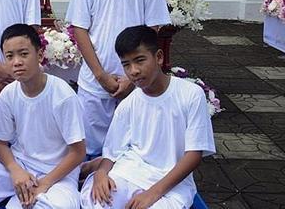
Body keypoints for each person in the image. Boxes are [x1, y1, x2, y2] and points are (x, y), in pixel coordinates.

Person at [65, 0, 171, 157]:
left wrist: (132, 78)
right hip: (94, 83)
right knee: (89, 152)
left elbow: (152, 31)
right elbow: (79, 30)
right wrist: (101, 75)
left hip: (136, 81)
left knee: (132, 152)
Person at [0, 24, 86, 209]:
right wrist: (15, 171)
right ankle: (2, 180)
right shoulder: (9, 93)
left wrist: (45, 184)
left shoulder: (63, 95)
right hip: (20, 164)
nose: (17, 62)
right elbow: (0, 143)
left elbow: (78, 152)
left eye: (23, 54)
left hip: (57, 172)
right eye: (10, 56)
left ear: (39, 55)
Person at [81, 26, 215, 209]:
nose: (133, 71)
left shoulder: (190, 94)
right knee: (96, 200)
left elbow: (194, 154)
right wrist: (101, 174)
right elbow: (112, 153)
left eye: (139, 60)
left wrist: (152, 193)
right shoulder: (129, 103)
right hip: (130, 172)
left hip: (170, 183)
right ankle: (92, 169)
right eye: (126, 64)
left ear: (159, 57)